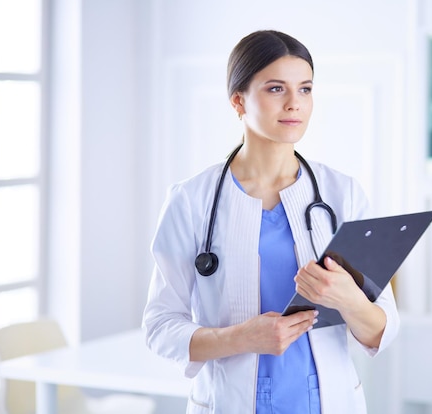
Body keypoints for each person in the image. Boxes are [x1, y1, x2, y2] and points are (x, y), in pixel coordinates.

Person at [142, 30, 400, 414]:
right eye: (276, 89)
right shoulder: (191, 201)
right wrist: (240, 338)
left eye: (306, 89)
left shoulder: (341, 194)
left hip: (327, 402)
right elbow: (160, 326)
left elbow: (382, 329)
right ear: (238, 100)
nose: (295, 103)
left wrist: (345, 297)